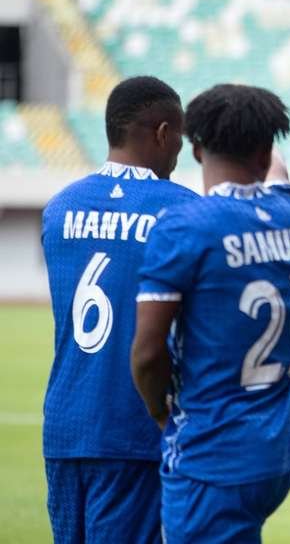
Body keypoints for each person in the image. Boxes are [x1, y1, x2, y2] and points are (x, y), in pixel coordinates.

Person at [131, 84, 290, 543]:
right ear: (264, 148)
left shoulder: (185, 226)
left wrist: (160, 413)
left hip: (211, 452)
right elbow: (277, 172)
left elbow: (148, 352)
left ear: (194, 148)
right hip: (275, 453)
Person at [41, 75, 197, 543]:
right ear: (163, 132)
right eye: (180, 140)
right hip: (135, 429)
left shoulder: (59, 208)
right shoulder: (183, 211)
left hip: (65, 427)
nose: (180, 154)